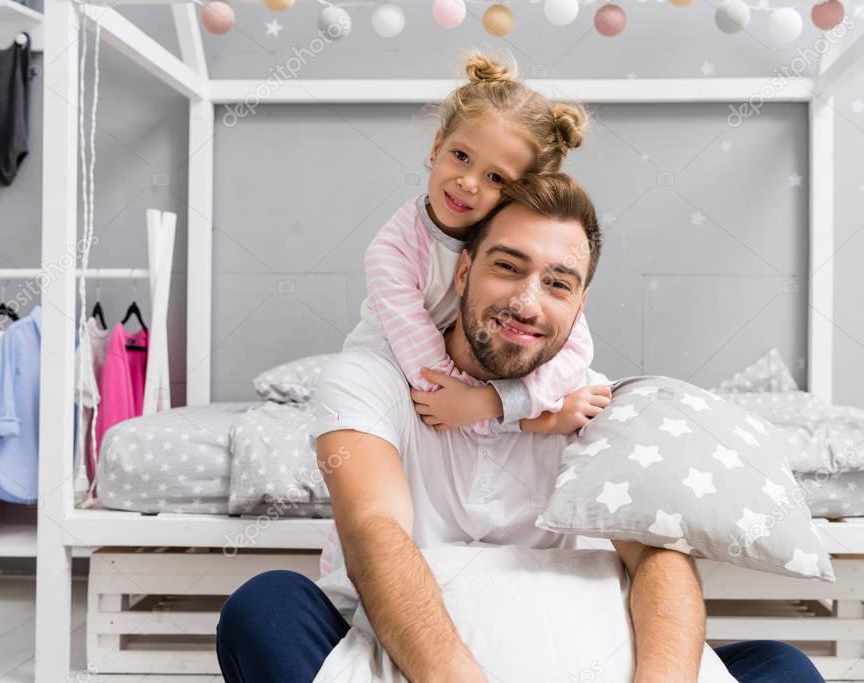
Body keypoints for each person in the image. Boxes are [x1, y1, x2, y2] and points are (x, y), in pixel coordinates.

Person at [216, 173, 826, 683]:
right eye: (508, 268)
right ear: (463, 275)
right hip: (408, 658)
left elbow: (657, 559)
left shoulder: (597, 404)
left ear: (579, 304)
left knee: (781, 667)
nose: (528, 304)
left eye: (557, 283)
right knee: (264, 608)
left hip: (570, 655)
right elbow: (374, 532)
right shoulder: (369, 380)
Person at [344, 50, 606, 437]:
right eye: (461, 156)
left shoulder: (519, 254)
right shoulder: (393, 252)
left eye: (496, 178)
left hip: (474, 383)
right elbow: (430, 379)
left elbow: (575, 351)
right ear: (437, 147)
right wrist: (529, 418)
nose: (469, 182)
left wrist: (493, 402)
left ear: (522, 192)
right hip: (399, 380)